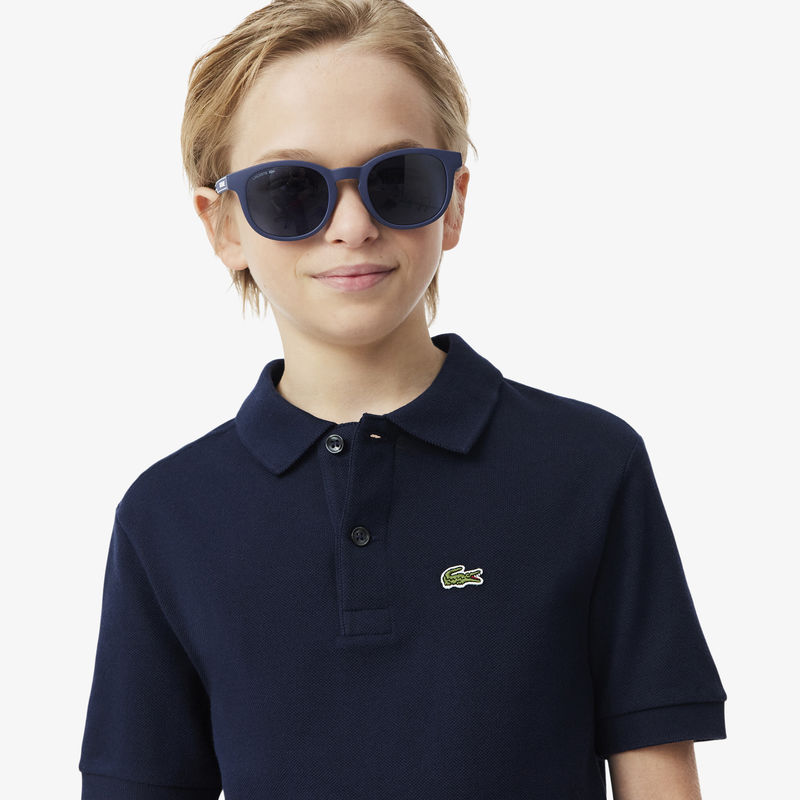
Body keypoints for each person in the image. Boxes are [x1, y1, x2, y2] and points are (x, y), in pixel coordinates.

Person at [78, 1, 727, 798]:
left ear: (453, 202)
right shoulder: (167, 516)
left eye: (398, 179)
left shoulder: (590, 468)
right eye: (291, 190)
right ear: (224, 227)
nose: (352, 225)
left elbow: (658, 777)